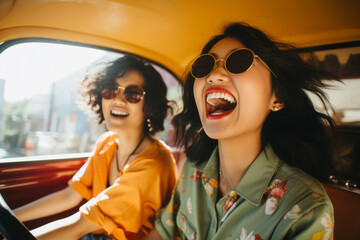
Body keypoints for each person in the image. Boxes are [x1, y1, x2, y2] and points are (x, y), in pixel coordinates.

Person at [146, 22, 336, 240]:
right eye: (205, 65)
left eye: (239, 61)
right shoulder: (192, 170)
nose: (214, 75)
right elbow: (162, 233)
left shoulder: (305, 208)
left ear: (278, 97)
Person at [13, 56, 178, 240]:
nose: (118, 100)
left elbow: (78, 226)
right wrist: (9, 218)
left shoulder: (153, 164)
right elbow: (69, 196)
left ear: (149, 106)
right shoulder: (106, 144)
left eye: (133, 94)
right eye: (110, 90)